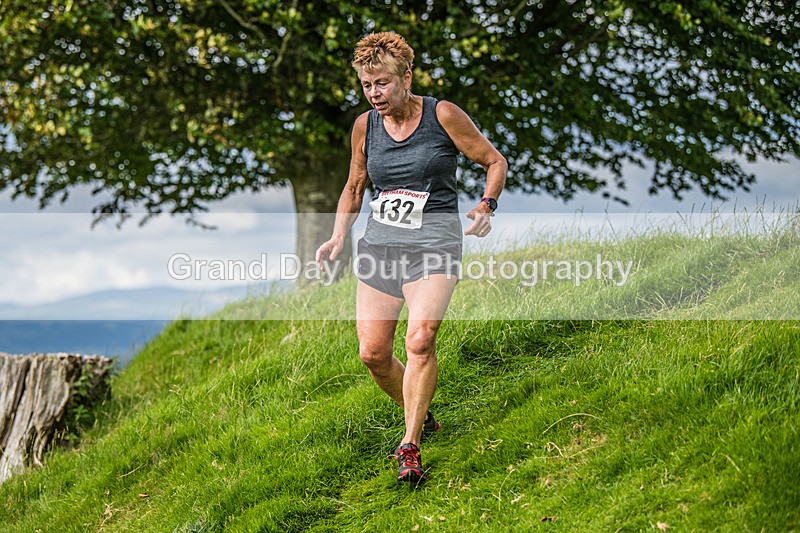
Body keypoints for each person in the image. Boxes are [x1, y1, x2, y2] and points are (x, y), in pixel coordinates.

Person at [315, 31, 507, 483]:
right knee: (373, 353)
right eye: (367, 85)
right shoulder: (365, 126)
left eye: (382, 83)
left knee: (420, 340)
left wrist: (486, 205)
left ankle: (410, 445)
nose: (375, 94)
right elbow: (355, 185)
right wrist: (338, 235)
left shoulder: (443, 115)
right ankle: (420, 410)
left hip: (436, 242)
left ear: (407, 76)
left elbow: (494, 161)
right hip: (381, 245)